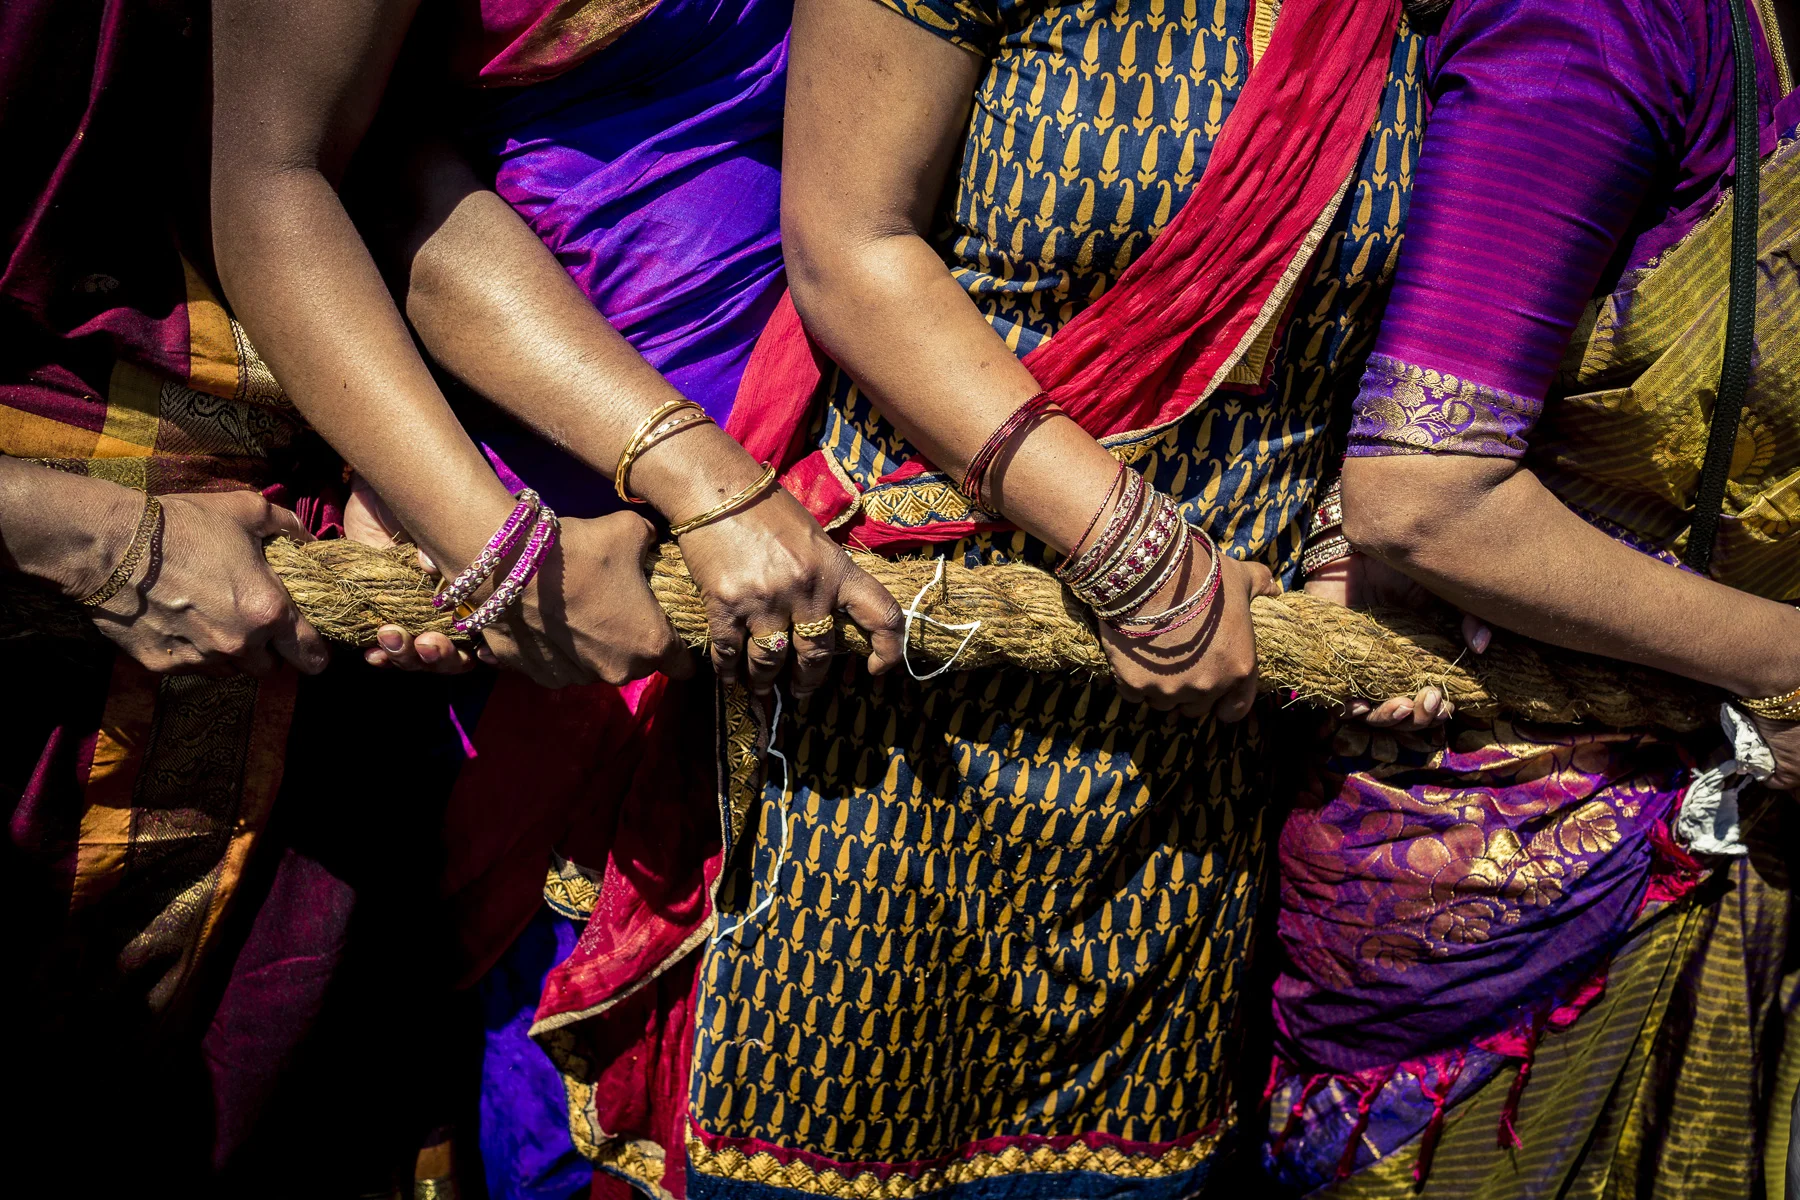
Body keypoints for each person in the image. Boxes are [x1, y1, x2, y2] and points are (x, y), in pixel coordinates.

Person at [651, 0, 1422, 1194]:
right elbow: (848, 245)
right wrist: (1139, 555)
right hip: (909, 708)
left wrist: (1349, 557)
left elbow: (1398, 309)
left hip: (1193, 757)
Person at [207, 0, 907, 1195]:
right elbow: (290, 169)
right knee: (563, 1069)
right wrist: (501, 544)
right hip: (570, 546)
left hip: (854, 515)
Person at [1264, 0, 1800, 1194]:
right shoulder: (1607, 30)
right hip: (1505, 861)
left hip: (1741, 832)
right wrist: (1782, 659)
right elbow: (1425, 494)